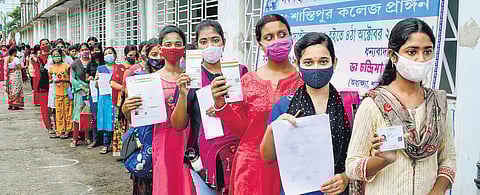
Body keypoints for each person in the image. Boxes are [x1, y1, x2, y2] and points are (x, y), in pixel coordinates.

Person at [345, 18, 456, 195]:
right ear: (393, 56)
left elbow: (448, 157)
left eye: (427, 51)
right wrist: (382, 160)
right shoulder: (373, 104)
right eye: (412, 52)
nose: (421, 59)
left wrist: (437, 191)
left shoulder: (438, 103)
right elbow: (351, 167)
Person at [210, 14, 303, 195]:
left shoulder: (303, 82)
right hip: (251, 169)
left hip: (289, 169)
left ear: (291, 38)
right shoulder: (247, 81)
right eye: (269, 37)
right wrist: (220, 104)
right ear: (260, 44)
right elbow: (241, 130)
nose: (277, 40)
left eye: (282, 34)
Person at [260, 32, 352, 195]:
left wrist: (346, 177)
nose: (316, 68)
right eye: (308, 62)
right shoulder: (284, 105)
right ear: (297, 64)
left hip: (337, 191)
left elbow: (360, 155)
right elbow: (267, 156)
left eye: (323, 61)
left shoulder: (350, 104)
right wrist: (273, 128)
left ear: (334, 62)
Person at [171, 19, 248, 194]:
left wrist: (225, 109)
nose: (210, 46)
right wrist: (183, 94)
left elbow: (249, 112)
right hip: (205, 161)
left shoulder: (240, 72)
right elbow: (178, 125)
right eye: (203, 42)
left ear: (223, 42)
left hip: (239, 154)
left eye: (215, 40)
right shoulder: (190, 77)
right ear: (197, 45)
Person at [122, 25, 195, 195]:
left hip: (189, 141)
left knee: (189, 186)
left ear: (184, 48)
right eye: (168, 44)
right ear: (161, 48)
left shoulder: (193, 78)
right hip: (161, 141)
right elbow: (135, 120)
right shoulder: (148, 81)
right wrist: (127, 109)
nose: (173, 48)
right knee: (166, 185)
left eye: (178, 44)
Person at [110, 44, 139, 153]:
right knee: (123, 124)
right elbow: (112, 83)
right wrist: (125, 88)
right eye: (130, 55)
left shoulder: (138, 67)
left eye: (134, 55)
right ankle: (123, 150)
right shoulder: (120, 67)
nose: (132, 57)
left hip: (135, 99)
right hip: (122, 99)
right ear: (125, 55)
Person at [70, 43, 92, 147]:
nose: (85, 51)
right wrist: (81, 87)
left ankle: (87, 137)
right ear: (80, 51)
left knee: (88, 115)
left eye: (86, 49)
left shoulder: (93, 63)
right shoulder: (75, 64)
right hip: (79, 92)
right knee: (77, 114)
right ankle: (75, 138)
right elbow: (72, 79)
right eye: (82, 49)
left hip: (91, 91)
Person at [48, 48, 73, 138]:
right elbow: (50, 79)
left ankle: (68, 130)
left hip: (66, 92)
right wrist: (52, 81)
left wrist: (62, 79)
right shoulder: (51, 68)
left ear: (61, 55)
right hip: (56, 92)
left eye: (57, 55)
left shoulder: (66, 66)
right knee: (58, 112)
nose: (56, 57)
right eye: (54, 56)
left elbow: (71, 79)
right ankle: (59, 130)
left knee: (67, 111)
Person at [95, 47, 115, 154]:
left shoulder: (119, 68)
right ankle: (106, 144)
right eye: (106, 53)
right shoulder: (100, 69)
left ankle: (115, 143)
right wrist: (97, 80)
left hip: (115, 97)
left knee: (115, 119)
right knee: (106, 119)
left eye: (110, 53)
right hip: (105, 97)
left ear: (115, 55)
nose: (108, 55)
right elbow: (96, 86)